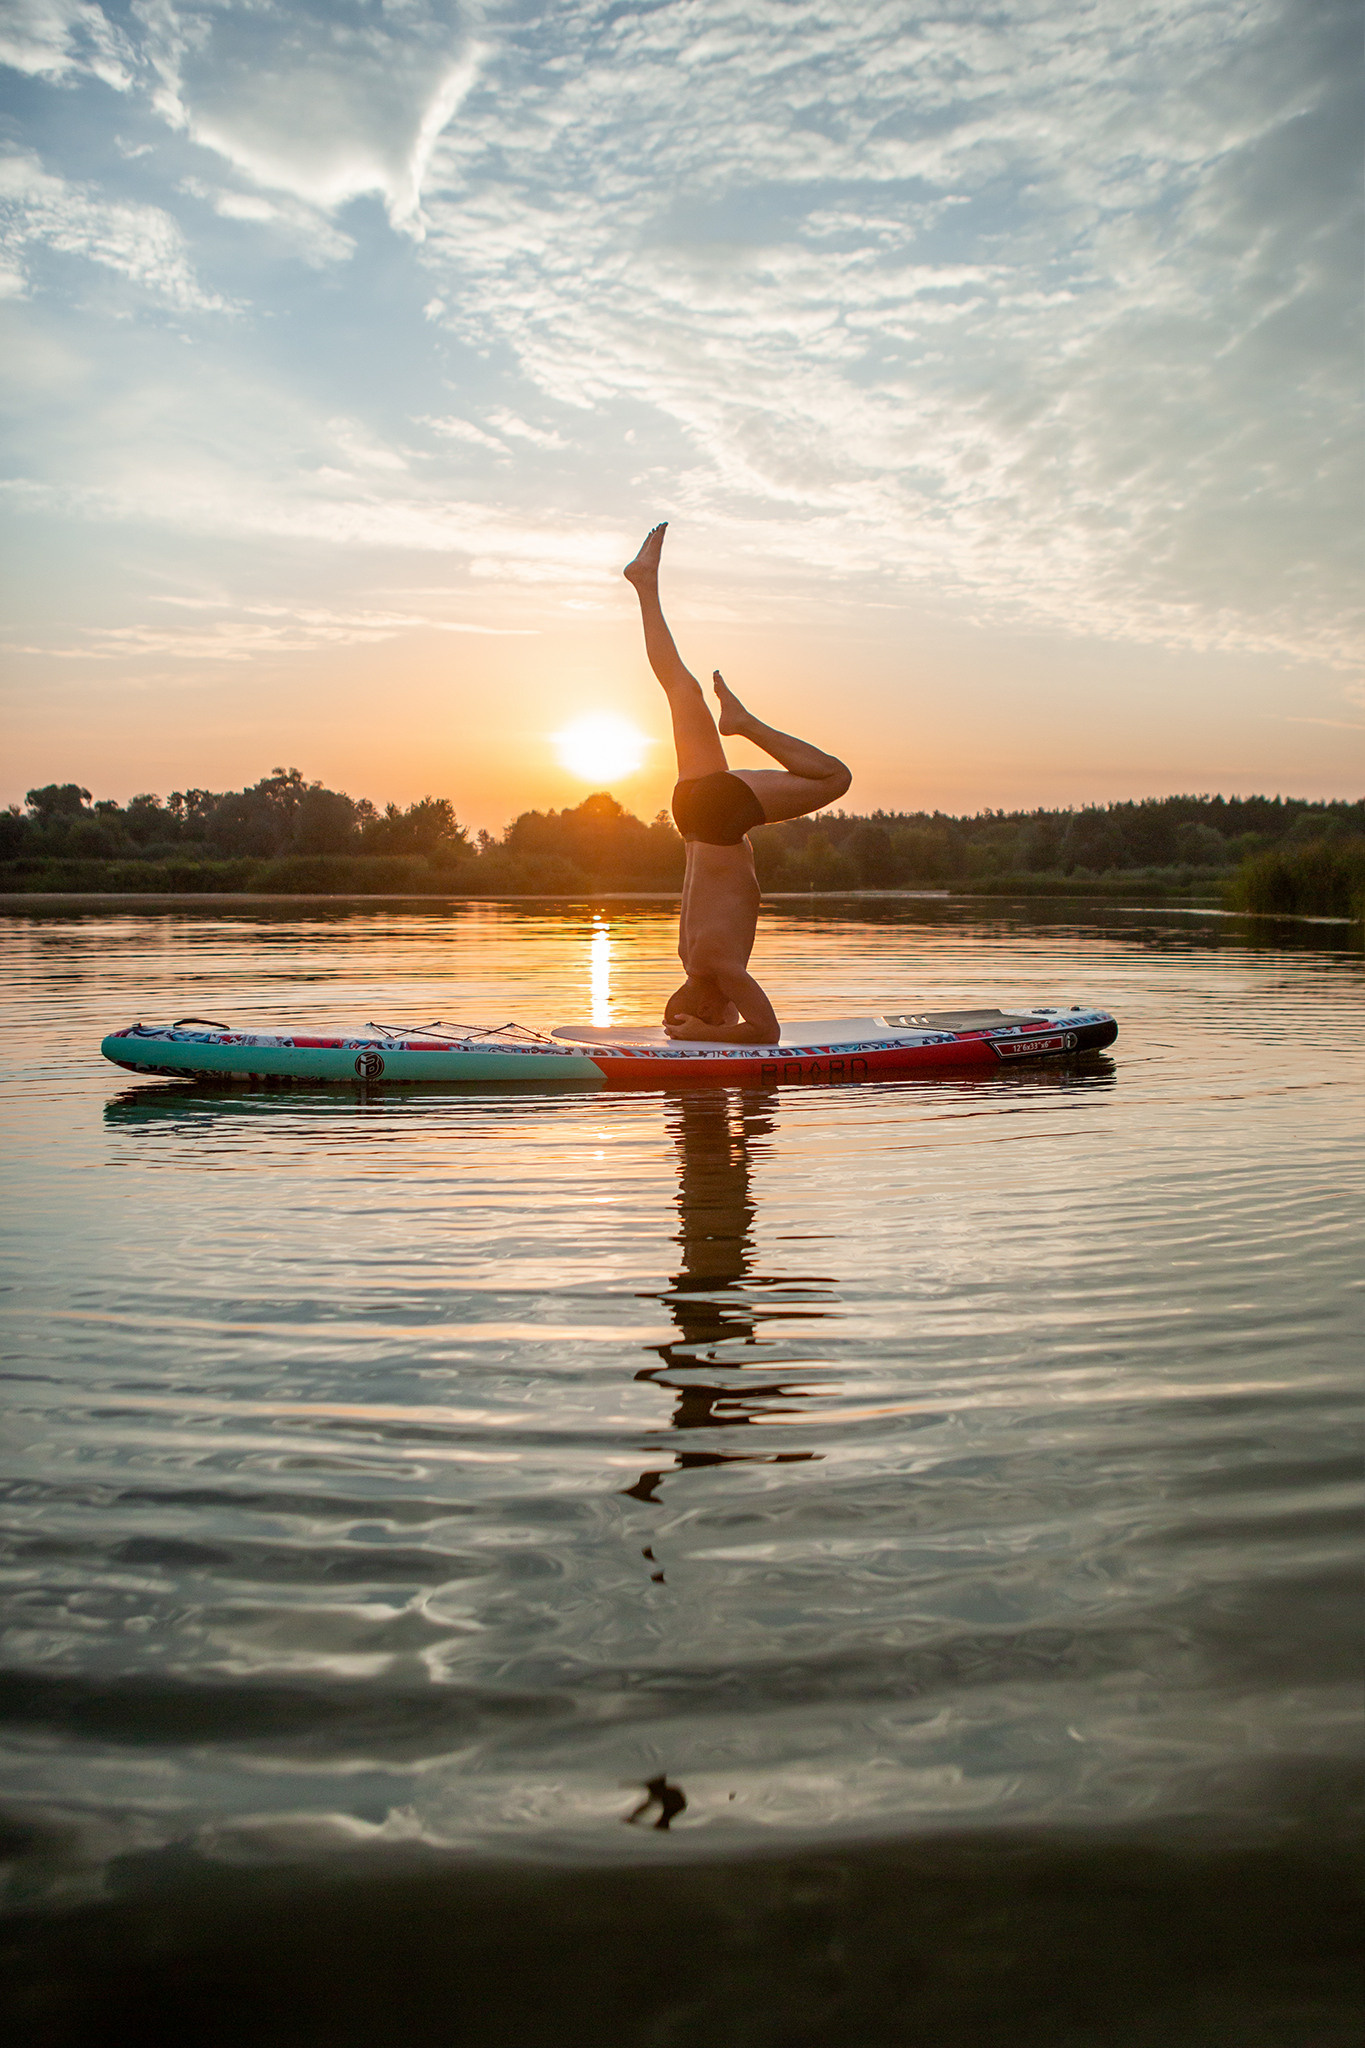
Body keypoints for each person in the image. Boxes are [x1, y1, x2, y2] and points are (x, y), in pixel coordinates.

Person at [624, 523, 850, 1043]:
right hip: (691, 816)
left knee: (836, 778)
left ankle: (745, 723)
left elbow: (765, 1033)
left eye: (720, 1016)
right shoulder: (690, 955)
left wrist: (700, 1035)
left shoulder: (721, 969)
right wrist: (704, 1025)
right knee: (679, 685)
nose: (732, 1016)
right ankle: (645, 587)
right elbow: (739, 1021)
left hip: (720, 818)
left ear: (708, 1006)